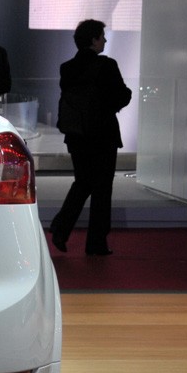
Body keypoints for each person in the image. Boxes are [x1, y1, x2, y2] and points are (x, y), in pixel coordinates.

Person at [49, 19, 132, 256]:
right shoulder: (107, 65)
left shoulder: (66, 68)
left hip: (77, 135)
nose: (105, 40)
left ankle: (61, 227)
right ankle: (96, 242)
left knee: (83, 182)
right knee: (102, 188)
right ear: (94, 40)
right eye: (102, 36)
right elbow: (122, 96)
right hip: (103, 135)